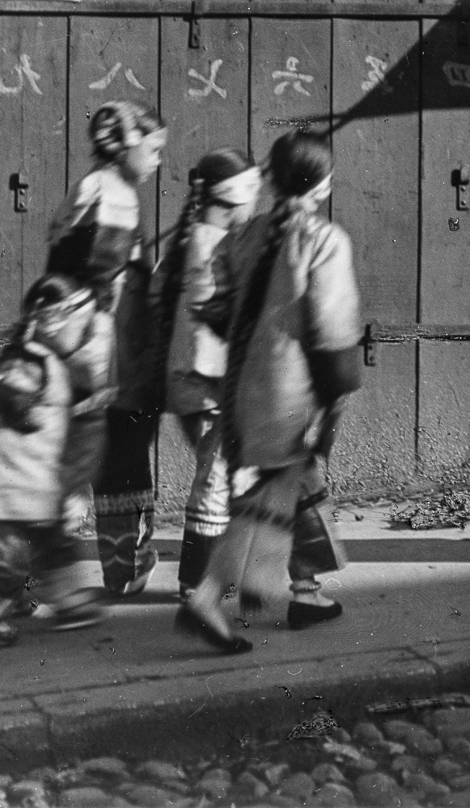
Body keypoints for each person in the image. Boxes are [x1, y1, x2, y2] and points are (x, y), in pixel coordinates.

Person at [176, 131, 362, 653]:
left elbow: (212, 303)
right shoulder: (324, 240)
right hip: (293, 391)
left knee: (278, 495)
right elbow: (333, 329)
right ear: (322, 184)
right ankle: (215, 597)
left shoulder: (248, 233)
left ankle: (287, 590)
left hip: (244, 390)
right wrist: (336, 395)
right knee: (274, 498)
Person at [44, 100, 168, 598]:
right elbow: (101, 285)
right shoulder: (113, 195)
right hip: (105, 354)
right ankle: (112, 570)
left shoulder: (96, 187)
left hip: (83, 352)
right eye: (154, 148)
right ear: (127, 145)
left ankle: (109, 571)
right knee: (114, 459)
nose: (159, 159)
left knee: (94, 464)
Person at [0, 274, 109, 645]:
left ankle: (69, 601)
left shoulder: (46, 359)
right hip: (18, 484)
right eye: (80, 323)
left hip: (39, 482)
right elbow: (8, 400)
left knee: (54, 547)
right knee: (7, 561)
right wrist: (20, 405)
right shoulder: (29, 360)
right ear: (53, 322)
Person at [157, 148, 262, 601]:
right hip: (212, 382)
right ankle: (197, 582)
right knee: (217, 476)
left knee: (218, 472)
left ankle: (218, 571)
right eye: (253, 192)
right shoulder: (219, 247)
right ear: (235, 197)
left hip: (183, 379)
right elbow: (215, 327)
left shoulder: (184, 239)